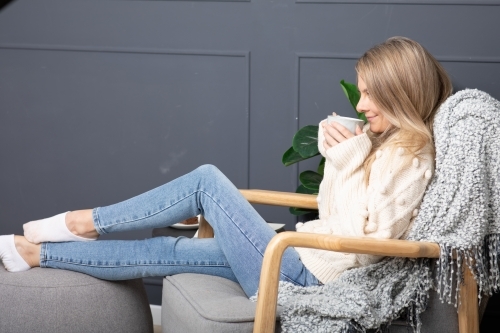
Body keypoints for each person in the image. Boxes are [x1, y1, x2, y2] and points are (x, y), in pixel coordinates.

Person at [0, 36, 452, 299]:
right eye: (361, 92)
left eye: (372, 94)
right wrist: (340, 161)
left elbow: (364, 246)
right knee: (169, 252)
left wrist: (348, 161)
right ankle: (37, 255)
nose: (362, 104)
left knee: (207, 182)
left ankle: (85, 222)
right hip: (298, 257)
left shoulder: (411, 155)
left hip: (306, 275)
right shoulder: (381, 142)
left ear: (401, 93)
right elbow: (335, 213)